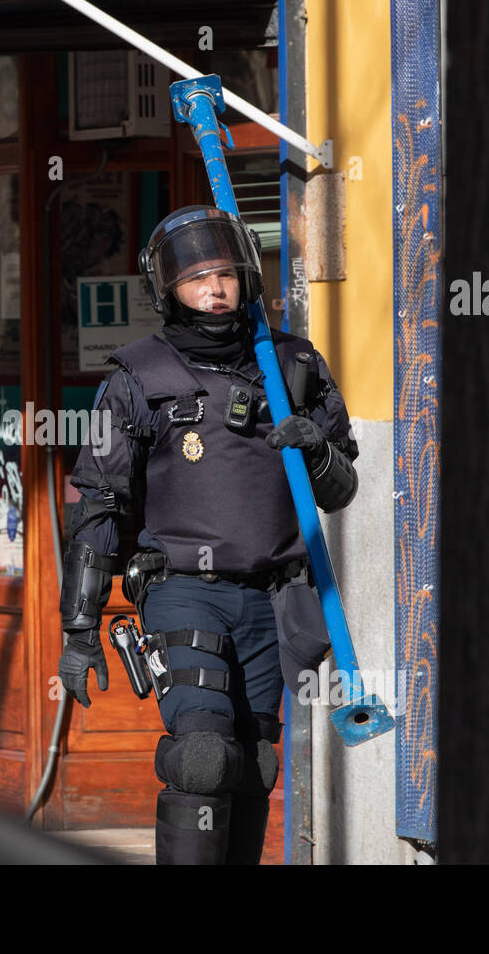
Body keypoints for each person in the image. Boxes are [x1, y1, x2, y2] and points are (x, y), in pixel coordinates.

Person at [57, 206, 360, 864]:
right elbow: (100, 502)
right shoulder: (136, 379)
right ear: (167, 289)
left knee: (251, 763)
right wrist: (79, 629)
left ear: (246, 275)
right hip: (184, 593)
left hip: (274, 599)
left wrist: (314, 449)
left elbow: (341, 490)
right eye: (197, 279)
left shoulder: (295, 366)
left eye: (224, 274)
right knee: (200, 756)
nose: (214, 289)